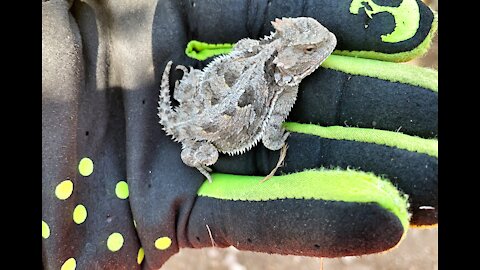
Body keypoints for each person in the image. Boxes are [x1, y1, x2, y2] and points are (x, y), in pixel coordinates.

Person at [42, 0, 438, 269]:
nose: (323, 50)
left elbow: (248, 48)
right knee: (206, 156)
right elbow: (267, 137)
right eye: (311, 50)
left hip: (198, 95)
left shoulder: (263, 51)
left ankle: (180, 90)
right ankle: (194, 143)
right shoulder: (280, 85)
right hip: (200, 133)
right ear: (287, 57)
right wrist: (279, 141)